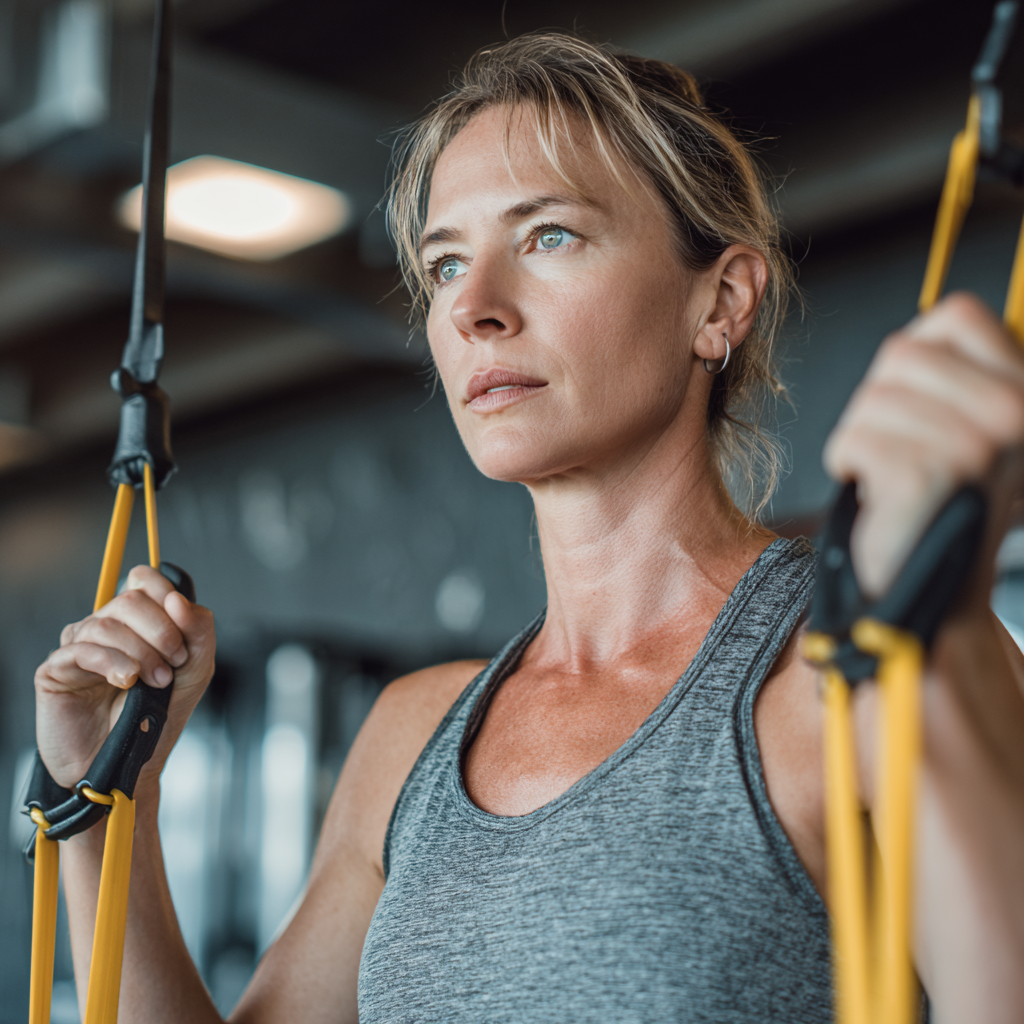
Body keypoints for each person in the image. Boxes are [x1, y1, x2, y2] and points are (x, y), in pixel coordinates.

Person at [36, 33, 1024, 1024]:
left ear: (718, 301)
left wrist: (946, 644)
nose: (473, 308)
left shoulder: (849, 670)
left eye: (548, 235)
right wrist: (102, 802)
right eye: (444, 263)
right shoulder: (409, 736)